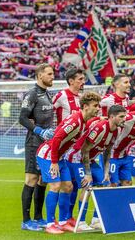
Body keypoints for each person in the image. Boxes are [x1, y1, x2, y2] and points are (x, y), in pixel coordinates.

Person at [36, 92, 101, 234]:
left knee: (68, 186)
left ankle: (64, 221)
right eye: (95, 106)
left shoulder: (84, 122)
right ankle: (50, 224)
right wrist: (54, 162)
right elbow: (57, 139)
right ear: (85, 106)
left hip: (60, 157)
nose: (98, 109)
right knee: (55, 185)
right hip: (48, 156)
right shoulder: (75, 120)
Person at [73, 105, 127, 230]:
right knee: (86, 186)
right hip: (76, 158)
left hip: (91, 160)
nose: (124, 119)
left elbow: (107, 152)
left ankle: (96, 220)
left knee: (105, 183)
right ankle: (80, 222)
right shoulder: (100, 128)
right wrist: (88, 173)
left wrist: (106, 171)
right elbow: (84, 150)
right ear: (112, 117)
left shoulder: (117, 130)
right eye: (121, 116)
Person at [19, 63, 55, 231]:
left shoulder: (47, 94)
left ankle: (38, 217)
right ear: (40, 75)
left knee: (42, 181)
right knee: (31, 180)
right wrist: (39, 130)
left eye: (52, 73)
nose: (52, 76)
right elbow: (23, 118)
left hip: (46, 144)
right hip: (34, 142)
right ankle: (26, 221)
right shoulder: (32, 94)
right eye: (49, 74)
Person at [51, 67, 86, 227]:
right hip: (64, 146)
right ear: (71, 81)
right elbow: (47, 111)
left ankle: (69, 217)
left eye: (83, 79)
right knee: (67, 183)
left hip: (77, 146)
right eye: (80, 79)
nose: (83, 82)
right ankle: (61, 218)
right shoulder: (61, 96)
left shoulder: (83, 98)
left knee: (75, 183)